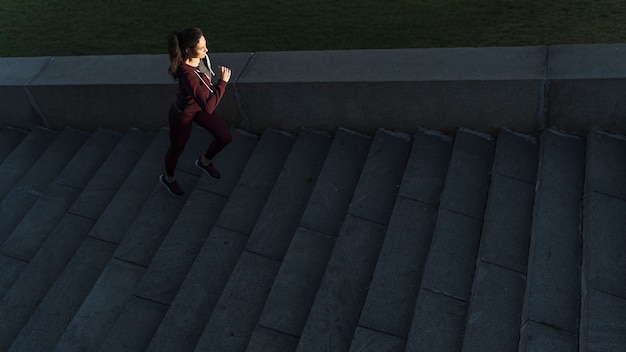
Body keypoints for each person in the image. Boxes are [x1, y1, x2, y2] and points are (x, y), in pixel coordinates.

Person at [160, 27, 232, 196]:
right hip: (183, 114)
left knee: (225, 138)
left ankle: (204, 162)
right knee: (177, 148)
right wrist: (223, 83)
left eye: (205, 45)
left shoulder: (201, 58)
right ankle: (168, 178)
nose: (206, 50)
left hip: (198, 107)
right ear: (188, 51)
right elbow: (209, 107)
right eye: (201, 48)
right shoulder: (187, 75)